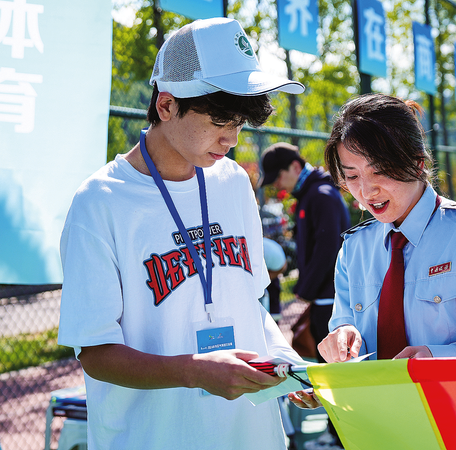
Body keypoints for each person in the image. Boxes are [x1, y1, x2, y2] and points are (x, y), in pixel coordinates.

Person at [57, 18, 306, 450]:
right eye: (220, 120)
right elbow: (95, 353)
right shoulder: (99, 202)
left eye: (240, 123)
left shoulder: (233, 182)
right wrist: (194, 370)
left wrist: (285, 360)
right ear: (167, 105)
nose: (231, 139)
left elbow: (249, 304)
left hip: (251, 436)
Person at [289, 94, 456, 410]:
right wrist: (338, 361)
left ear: (417, 162)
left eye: (379, 170)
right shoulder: (354, 249)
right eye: (352, 176)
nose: (366, 191)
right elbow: (346, 333)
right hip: (378, 422)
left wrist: (439, 360)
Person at [258, 142, 350, 450]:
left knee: (334, 368)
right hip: (325, 297)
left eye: (278, 176)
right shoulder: (314, 194)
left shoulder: (319, 195)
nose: (277, 184)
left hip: (329, 300)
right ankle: (336, 432)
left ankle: (339, 436)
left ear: (295, 167)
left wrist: (304, 294)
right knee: (331, 366)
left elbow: (327, 250)